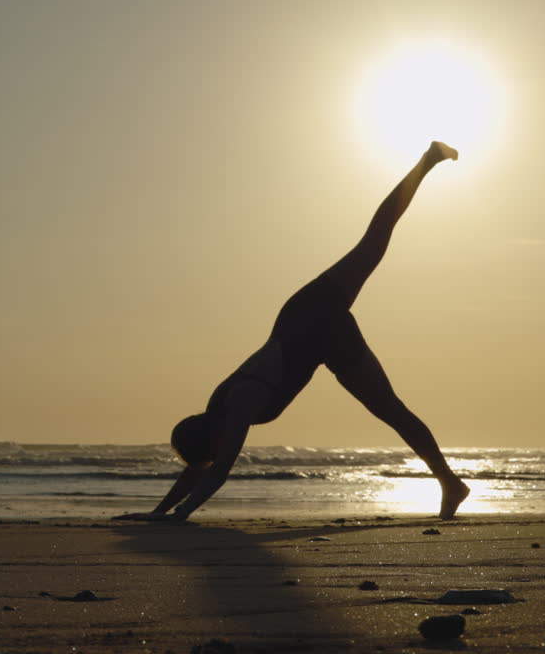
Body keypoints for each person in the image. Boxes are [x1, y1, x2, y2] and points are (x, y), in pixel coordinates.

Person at [117, 141, 471, 522]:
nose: (218, 453)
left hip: (314, 314)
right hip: (313, 329)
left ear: (211, 436)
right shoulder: (218, 412)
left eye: (212, 449)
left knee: (375, 240)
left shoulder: (238, 404)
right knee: (389, 409)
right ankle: (450, 483)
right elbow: (201, 468)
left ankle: (427, 161)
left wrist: (179, 514)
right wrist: (158, 512)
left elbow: (217, 471)